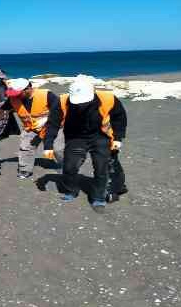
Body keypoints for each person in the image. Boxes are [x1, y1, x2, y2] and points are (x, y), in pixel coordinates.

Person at [43, 79, 127, 213]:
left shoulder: (108, 98)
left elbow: (119, 118)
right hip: (75, 137)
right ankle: (71, 190)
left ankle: (98, 197)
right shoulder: (62, 101)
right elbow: (53, 124)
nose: (81, 106)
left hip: (101, 136)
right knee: (69, 167)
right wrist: (48, 144)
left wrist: (118, 137)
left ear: (93, 93)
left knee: (101, 168)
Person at [5, 78, 64, 179]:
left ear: (27, 89)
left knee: (58, 149)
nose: (15, 96)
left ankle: (67, 167)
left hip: (53, 126)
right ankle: (25, 169)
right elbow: (1, 112)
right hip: (31, 128)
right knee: (26, 147)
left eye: (18, 93)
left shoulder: (46, 95)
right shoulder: (14, 99)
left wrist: (46, 119)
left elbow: (61, 110)